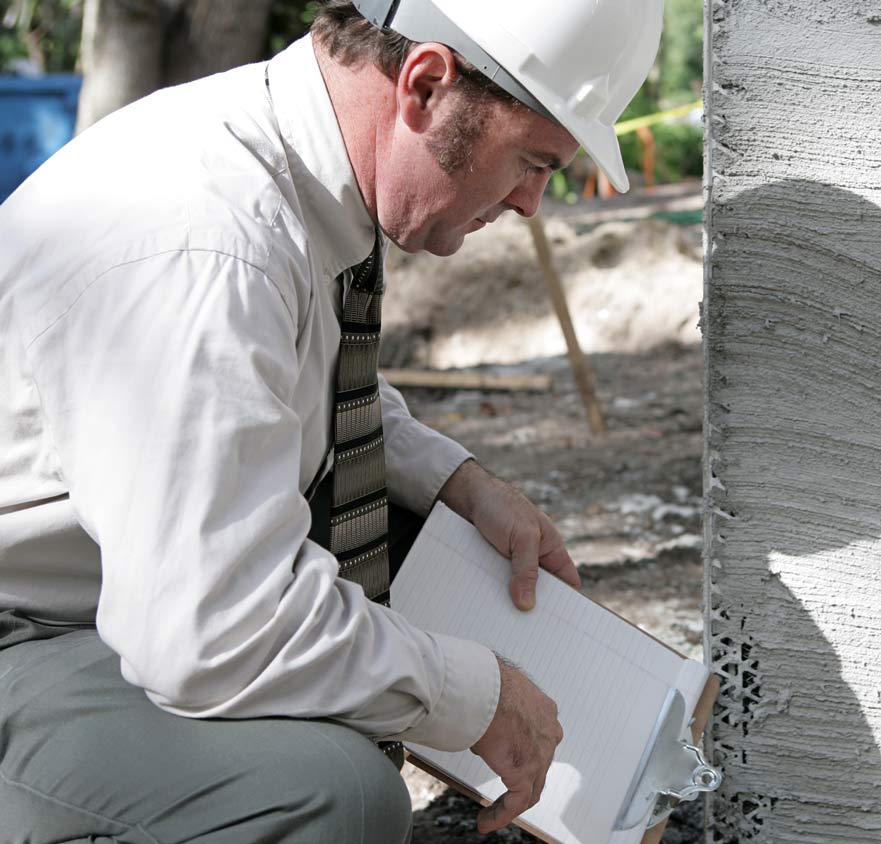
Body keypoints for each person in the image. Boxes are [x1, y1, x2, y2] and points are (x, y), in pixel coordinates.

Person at [0, 0, 663, 840]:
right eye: (532, 162)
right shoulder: (206, 245)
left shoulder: (285, 162)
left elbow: (280, 382)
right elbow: (212, 630)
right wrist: (475, 696)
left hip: (96, 590)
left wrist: (459, 482)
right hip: (23, 631)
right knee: (328, 795)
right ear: (424, 84)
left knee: (408, 527)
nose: (532, 203)